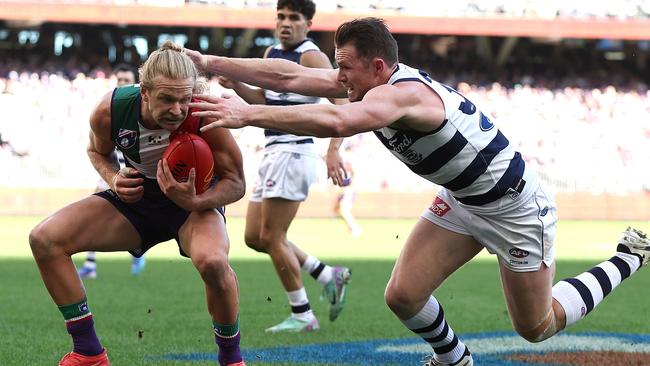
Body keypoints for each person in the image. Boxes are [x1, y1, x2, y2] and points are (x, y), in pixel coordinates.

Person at [185, 17, 650, 366]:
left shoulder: (402, 95)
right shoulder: (368, 82)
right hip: (464, 200)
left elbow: (338, 120)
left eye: (344, 68)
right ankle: (456, 361)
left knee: (536, 326)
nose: (337, 77)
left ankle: (628, 257)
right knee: (403, 295)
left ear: (378, 66)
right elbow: (288, 78)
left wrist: (246, 115)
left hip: (514, 209)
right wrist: (208, 63)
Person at [29, 41, 247, 366]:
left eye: (184, 99)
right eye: (167, 99)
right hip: (137, 201)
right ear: (144, 92)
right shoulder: (110, 111)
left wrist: (199, 199)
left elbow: (236, 182)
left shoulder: (203, 113)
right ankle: (88, 352)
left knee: (214, 263)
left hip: (193, 207)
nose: (177, 109)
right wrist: (114, 177)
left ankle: (231, 359)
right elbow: (96, 151)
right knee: (44, 240)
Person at [213, 0, 351, 333]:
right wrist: (238, 87)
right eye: (281, 17)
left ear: (308, 24)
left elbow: (343, 105)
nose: (285, 23)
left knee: (273, 236)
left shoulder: (311, 56)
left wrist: (333, 150)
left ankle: (303, 315)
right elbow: (264, 102)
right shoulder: (272, 53)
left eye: (294, 18)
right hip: (274, 151)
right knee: (255, 238)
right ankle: (325, 273)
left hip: (294, 152)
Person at [77, 63, 148, 279]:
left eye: (127, 80)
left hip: (138, 173)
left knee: (138, 217)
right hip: (113, 172)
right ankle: (90, 264)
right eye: (120, 81)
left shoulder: (142, 108)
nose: (124, 84)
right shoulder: (109, 108)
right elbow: (97, 146)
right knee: (93, 217)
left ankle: (137, 253)